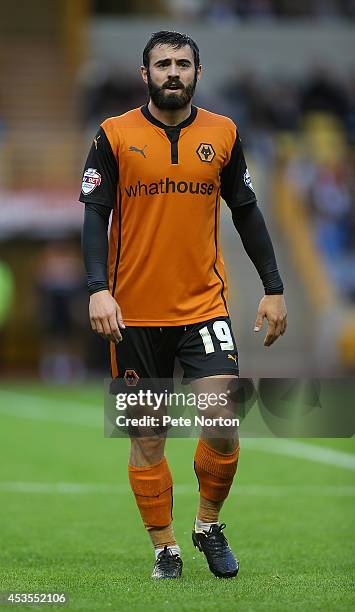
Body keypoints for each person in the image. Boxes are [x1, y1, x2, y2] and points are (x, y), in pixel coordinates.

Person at [79, 30, 287, 580]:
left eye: (184, 64)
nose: (174, 72)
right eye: (163, 64)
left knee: (224, 421)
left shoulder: (224, 133)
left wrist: (273, 285)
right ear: (144, 74)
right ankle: (166, 549)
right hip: (134, 315)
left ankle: (208, 526)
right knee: (148, 436)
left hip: (204, 309)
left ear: (199, 72)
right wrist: (98, 288)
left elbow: (246, 211)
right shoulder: (112, 135)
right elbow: (94, 216)